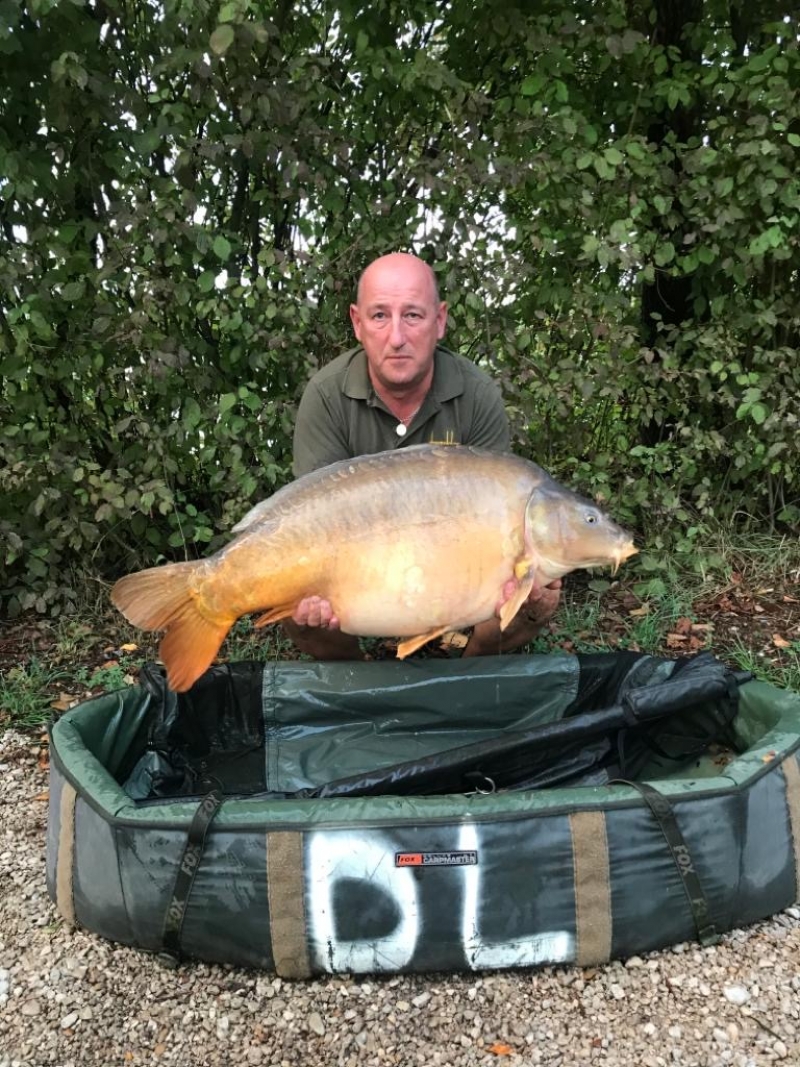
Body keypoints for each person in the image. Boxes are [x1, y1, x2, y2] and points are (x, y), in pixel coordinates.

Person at [284, 251, 561, 660]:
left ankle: (467, 679)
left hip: (455, 576)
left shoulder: (476, 393)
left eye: (412, 315)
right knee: (297, 608)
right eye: (380, 316)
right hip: (358, 576)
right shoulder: (326, 396)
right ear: (358, 324)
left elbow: (497, 514)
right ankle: (358, 684)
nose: (396, 336)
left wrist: (516, 579)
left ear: (439, 320)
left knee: (537, 591)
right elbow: (309, 523)